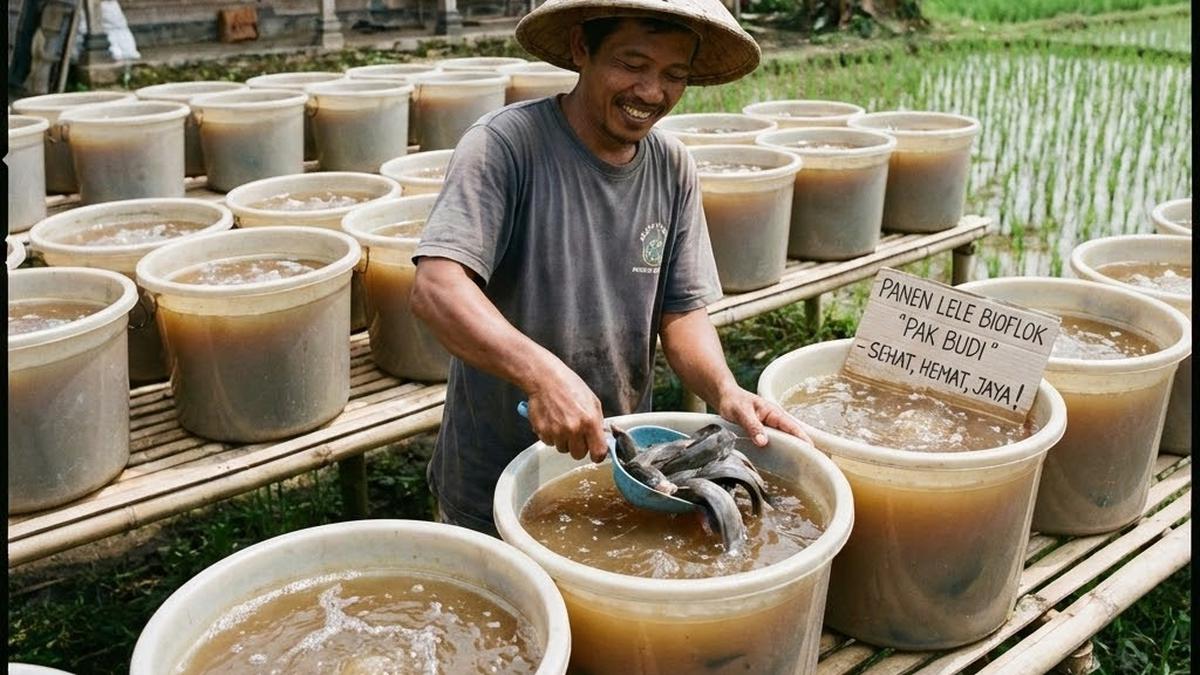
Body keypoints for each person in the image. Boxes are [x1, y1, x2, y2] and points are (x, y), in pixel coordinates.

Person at [410, 0, 808, 535]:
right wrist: (542, 375)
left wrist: (726, 391)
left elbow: (682, 311)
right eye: (632, 64)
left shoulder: (672, 167)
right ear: (582, 48)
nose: (651, 93)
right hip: (494, 474)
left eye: (674, 75)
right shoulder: (505, 146)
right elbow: (438, 287)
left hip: (616, 465)